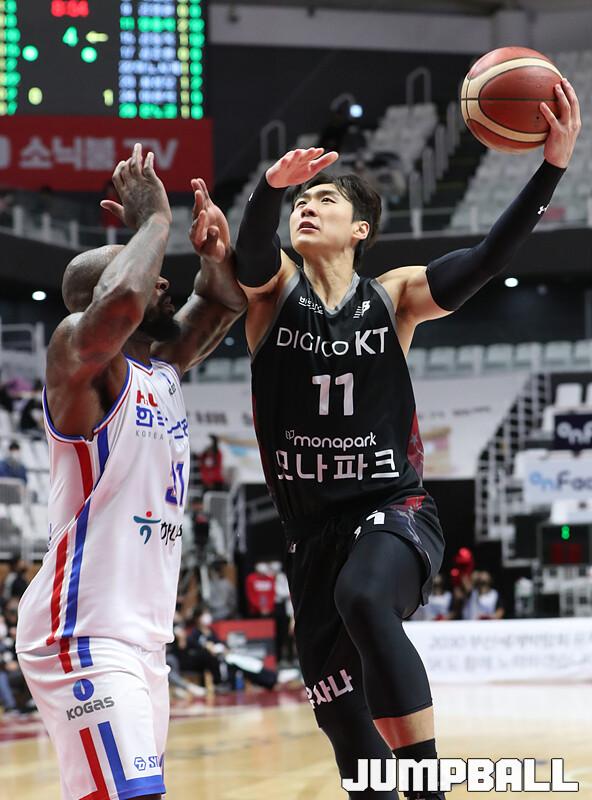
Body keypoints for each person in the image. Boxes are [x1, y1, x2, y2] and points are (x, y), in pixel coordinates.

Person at [232, 78, 580, 799]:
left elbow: (484, 260)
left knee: (365, 597)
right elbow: (250, 258)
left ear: (361, 229)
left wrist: (552, 167)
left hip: (393, 509)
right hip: (309, 535)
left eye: (323, 200)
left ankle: (429, 787)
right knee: (346, 730)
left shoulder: (393, 296)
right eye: (300, 202)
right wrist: (269, 188)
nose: (305, 206)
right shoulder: (273, 298)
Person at [15, 145, 246, 800]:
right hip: (82, 632)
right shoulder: (78, 355)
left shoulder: (159, 371)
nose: (162, 283)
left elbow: (221, 304)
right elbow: (119, 306)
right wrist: (154, 221)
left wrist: (213, 254)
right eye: (149, 276)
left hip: (142, 641)